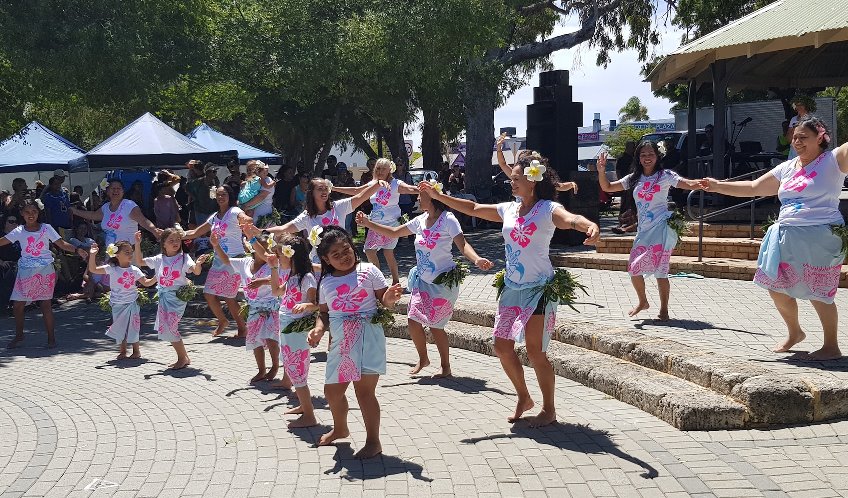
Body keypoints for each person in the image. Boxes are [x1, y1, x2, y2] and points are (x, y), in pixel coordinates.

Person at [420, 153, 600, 427]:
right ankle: (524, 397)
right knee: (502, 347)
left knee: (536, 352)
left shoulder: (548, 209)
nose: (511, 183)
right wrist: (440, 196)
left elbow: (571, 219)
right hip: (512, 288)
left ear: (533, 181)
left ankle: (549, 409)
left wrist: (590, 226)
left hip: (539, 289)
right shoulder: (509, 209)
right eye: (512, 179)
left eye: (516, 179)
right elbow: (473, 208)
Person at [700, 117, 848, 360]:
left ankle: (831, 345)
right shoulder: (788, 167)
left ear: (821, 138)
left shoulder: (833, 160)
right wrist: (717, 186)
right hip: (785, 234)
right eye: (795, 137)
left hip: (820, 234)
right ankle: (795, 333)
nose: (797, 141)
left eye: (803, 137)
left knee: (818, 291)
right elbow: (754, 188)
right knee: (776, 287)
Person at [356, 185, 493, 377]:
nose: (418, 201)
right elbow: (395, 232)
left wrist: (476, 259)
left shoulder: (448, 220)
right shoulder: (420, 220)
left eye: (421, 197)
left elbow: (463, 245)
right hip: (422, 280)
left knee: (436, 326)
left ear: (432, 197)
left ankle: (445, 366)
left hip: (442, 282)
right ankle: (423, 359)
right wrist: (369, 224)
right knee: (413, 320)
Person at [309, 226, 404, 458]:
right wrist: (318, 329)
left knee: (364, 392)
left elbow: (384, 299)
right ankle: (340, 428)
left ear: (353, 247)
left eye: (346, 250)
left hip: (368, 337)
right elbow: (323, 313)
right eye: (336, 255)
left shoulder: (369, 270)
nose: (344, 257)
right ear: (325, 259)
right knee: (332, 391)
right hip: (341, 341)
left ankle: (374, 441)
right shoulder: (326, 282)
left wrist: (389, 298)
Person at [597, 141, 703, 320]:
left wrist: (702, 183)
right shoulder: (633, 178)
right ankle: (643, 301)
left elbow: (686, 183)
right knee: (633, 267)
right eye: (643, 155)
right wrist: (601, 171)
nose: (647, 158)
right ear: (638, 157)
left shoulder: (665, 175)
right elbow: (607, 187)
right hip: (643, 230)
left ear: (657, 156)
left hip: (662, 227)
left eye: (650, 154)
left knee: (661, 270)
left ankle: (664, 310)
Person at [0, 199, 87, 348]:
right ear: (22, 214)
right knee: (17, 306)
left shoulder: (46, 228)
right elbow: (2, 241)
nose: (31, 215)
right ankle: (19, 335)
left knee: (45, 304)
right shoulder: (19, 231)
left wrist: (77, 250)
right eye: (27, 212)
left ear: (38, 212)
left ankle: (51, 338)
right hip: (25, 271)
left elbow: (61, 243)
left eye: (33, 211)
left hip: (44, 269)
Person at [211, 231, 287, 384]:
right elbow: (226, 260)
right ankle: (261, 369)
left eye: (269, 250)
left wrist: (263, 281)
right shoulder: (245, 262)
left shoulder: (273, 265)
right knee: (255, 340)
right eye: (263, 249)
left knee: (271, 339)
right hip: (253, 307)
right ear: (254, 249)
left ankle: (274, 366)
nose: (267, 253)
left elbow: (279, 278)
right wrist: (216, 245)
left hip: (271, 307)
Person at [260, 177, 385, 264]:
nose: (324, 191)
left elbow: (360, 196)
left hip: (343, 255)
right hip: (320, 260)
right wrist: (259, 232)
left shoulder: (339, 207)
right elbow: (284, 228)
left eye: (326, 189)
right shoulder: (306, 216)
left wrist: (378, 184)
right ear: (311, 193)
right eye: (320, 189)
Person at [182, 185, 253, 337]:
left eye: (224, 194)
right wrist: (176, 235)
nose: (221, 197)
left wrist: (246, 219)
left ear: (230, 196)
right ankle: (223, 321)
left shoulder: (234, 211)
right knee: (208, 294)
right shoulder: (214, 217)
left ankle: (242, 328)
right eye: (219, 194)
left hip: (234, 261)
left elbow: (244, 217)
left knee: (229, 296)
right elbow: (195, 232)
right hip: (219, 260)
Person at [134, 228, 208, 369]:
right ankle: (184, 357)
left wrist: (198, 264)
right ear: (164, 244)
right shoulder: (158, 259)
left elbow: (196, 272)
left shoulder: (184, 258)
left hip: (177, 298)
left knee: (170, 327)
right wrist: (137, 244)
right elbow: (139, 261)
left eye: (177, 240)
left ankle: (182, 358)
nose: (175, 243)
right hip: (164, 297)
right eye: (171, 240)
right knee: (168, 328)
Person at [268, 234, 319, 428]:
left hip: (297, 330)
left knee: (297, 370)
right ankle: (303, 405)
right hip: (287, 327)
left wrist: (305, 305)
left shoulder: (306, 278)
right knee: (291, 366)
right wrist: (273, 267)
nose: (279, 258)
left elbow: (315, 304)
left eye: (280, 255)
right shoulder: (292, 277)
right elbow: (276, 292)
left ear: (291, 255)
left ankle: (309, 416)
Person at [89, 239, 156, 359]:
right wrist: (92, 255)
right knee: (120, 327)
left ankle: (136, 351)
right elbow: (93, 269)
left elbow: (146, 283)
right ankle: (123, 351)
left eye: (131, 252)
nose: (130, 254)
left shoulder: (134, 269)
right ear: (117, 254)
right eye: (127, 252)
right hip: (117, 303)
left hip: (132, 302)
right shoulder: (112, 268)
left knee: (133, 326)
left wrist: (156, 277)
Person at [362, 159, 417, 284]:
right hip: (374, 224)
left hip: (391, 225)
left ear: (390, 170)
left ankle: (395, 281)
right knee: (370, 251)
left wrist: (427, 189)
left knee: (388, 252)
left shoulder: (395, 183)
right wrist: (332, 188)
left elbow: (410, 189)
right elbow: (357, 191)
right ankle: (379, 281)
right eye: (378, 168)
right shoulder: (373, 184)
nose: (380, 171)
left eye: (383, 169)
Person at [71, 178, 161, 245]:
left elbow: (143, 221)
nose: (116, 191)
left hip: (128, 252)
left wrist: (154, 230)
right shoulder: (105, 208)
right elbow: (93, 215)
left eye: (119, 188)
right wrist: (75, 211)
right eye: (113, 188)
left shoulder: (129, 205)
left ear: (123, 191)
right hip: (111, 252)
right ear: (107, 191)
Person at [0, 214, 22, 315]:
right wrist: (2, 262)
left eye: (15, 222)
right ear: (4, 224)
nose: (14, 224)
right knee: (11, 272)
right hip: (4, 264)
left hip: (19, 263)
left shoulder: (19, 237)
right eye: (11, 221)